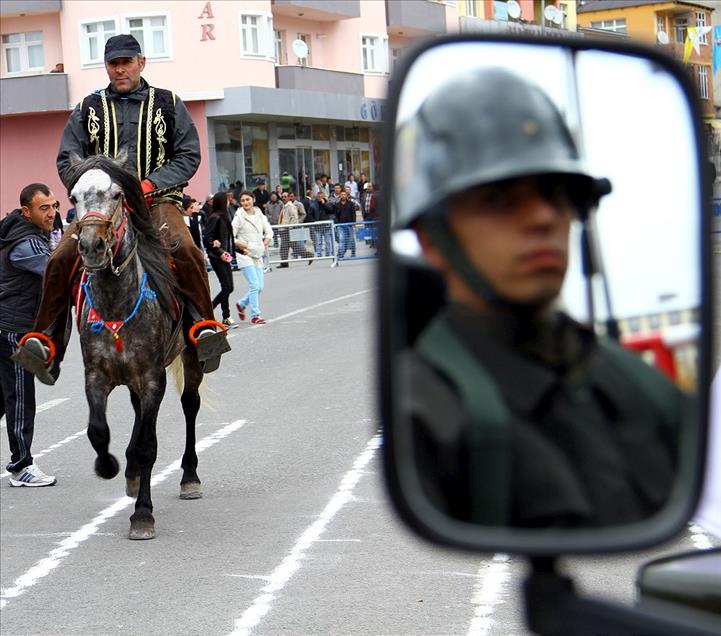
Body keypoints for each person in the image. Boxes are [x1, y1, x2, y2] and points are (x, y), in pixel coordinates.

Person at [396, 67, 682, 528]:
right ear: (432, 238)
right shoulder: (422, 408)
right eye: (499, 198)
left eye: (555, 192)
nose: (543, 217)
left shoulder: (643, 388)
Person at [15, 33, 227, 383]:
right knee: (60, 258)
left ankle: (205, 329)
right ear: (107, 67)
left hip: (155, 200)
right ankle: (46, 343)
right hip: (101, 205)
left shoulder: (169, 103)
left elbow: (189, 154)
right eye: (114, 63)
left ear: (141, 63)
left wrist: (149, 183)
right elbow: (67, 160)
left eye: (126, 62)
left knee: (186, 249)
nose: (120, 69)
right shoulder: (87, 108)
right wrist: (92, 185)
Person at [0, 184, 58, 486]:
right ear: (26, 211)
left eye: (54, 205)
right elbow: (55, 271)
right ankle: (21, 466)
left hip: (8, 323)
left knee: (3, 397)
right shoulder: (25, 243)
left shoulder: (21, 232)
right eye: (43, 208)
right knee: (20, 398)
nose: (51, 213)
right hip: (15, 329)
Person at [232, 191, 273, 325]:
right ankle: (255, 315)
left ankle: (242, 303)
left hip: (258, 253)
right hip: (245, 254)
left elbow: (268, 230)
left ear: (253, 200)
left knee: (260, 286)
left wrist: (266, 240)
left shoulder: (259, 213)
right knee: (254, 285)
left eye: (248, 200)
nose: (245, 203)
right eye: (243, 200)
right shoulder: (238, 216)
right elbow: (231, 236)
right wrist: (244, 245)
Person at [203, 192, 235, 326]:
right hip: (217, 257)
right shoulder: (215, 218)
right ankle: (224, 315)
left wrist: (239, 250)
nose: (229, 202)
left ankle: (217, 311)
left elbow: (226, 239)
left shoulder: (224, 216)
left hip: (225, 256)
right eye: (226, 200)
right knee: (227, 287)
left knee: (229, 287)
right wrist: (218, 250)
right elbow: (207, 238)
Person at [308, 191, 335, 258]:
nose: (320, 198)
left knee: (327, 241)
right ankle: (319, 254)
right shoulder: (313, 204)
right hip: (317, 225)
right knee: (318, 241)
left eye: (321, 197)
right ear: (316, 197)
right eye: (318, 197)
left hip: (326, 225)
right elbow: (310, 214)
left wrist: (324, 204)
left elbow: (331, 211)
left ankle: (328, 254)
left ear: (323, 197)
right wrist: (313, 221)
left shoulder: (328, 203)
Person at [333, 190, 356, 260]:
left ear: (346, 195)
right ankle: (341, 253)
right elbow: (336, 215)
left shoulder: (351, 204)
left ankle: (353, 252)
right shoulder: (337, 205)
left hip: (349, 224)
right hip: (341, 225)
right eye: (342, 194)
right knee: (342, 239)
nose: (343, 196)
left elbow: (353, 214)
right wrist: (337, 223)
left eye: (344, 194)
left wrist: (354, 222)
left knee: (351, 239)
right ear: (340, 195)